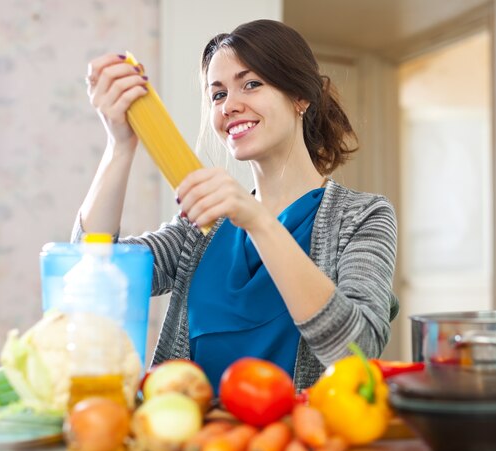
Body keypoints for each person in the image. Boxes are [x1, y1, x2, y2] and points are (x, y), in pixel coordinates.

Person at [73, 19, 398, 393]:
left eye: (251, 84)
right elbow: (90, 274)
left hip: (294, 448)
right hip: (190, 444)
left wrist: (257, 220)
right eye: (217, 94)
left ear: (300, 97)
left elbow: (355, 352)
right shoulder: (200, 228)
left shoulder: (364, 216)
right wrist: (119, 145)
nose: (230, 105)